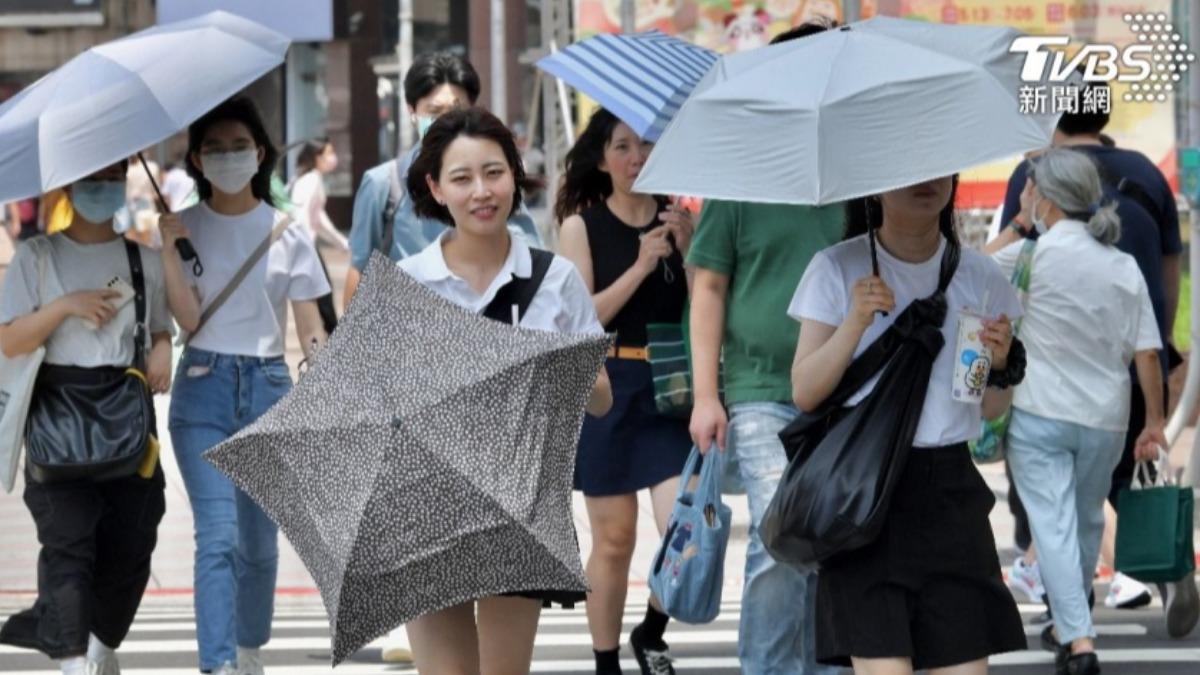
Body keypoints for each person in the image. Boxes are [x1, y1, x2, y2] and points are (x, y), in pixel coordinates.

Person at [398, 105, 611, 675]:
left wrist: (556, 366)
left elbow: (601, 396)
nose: (481, 192)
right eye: (462, 178)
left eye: (493, 172)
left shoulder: (556, 279)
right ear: (435, 188)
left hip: (518, 502)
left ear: (515, 175)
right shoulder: (409, 283)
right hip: (430, 503)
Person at [789, 175, 1027, 675]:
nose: (926, 182)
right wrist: (855, 319)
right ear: (873, 184)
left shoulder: (981, 277)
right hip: (865, 497)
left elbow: (987, 409)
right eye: (908, 170)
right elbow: (806, 390)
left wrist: (1000, 364)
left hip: (951, 497)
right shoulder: (837, 268)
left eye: (938, 168)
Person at [993, 98, 1198, 636]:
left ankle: (1076, 633)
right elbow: (1149, 341)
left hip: (1040, 408)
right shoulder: (1124, 251)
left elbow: (972, 271)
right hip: (1111, 408)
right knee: (1087, 517)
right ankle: (1076, 617)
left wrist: (1018, 223)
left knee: (1052, 522)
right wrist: (1155, 420)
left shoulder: (1031, 242)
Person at [687, 20, 843, 675]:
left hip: (849, 394)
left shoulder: (858, 179)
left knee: (838, 543)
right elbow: (710, 286)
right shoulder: (740, 178)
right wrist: (705, 394)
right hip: (760, 390)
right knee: (780, 541)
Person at [159, 97, 330, 675]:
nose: (228, 157)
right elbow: (185, 320)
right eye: (214, 148)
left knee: (259, 546)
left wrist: (323, 387)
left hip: (269, 390)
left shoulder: (288, 233)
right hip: (203, 388)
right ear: (197, 161)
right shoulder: (185, 229)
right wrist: (167, 248)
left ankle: (248, 645)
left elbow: (310, 330)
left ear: (260, 154)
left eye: (239, 147)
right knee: (219, 536)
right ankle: (218, 664)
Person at [0, 161, 173, 675]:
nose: (102, 188)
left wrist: (164, 346)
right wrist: (65, 307)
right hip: (57, 411)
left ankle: (97, 640)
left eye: (113, 176)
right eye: (90, 178)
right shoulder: (36, 256)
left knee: (136, 536)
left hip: (125, 409)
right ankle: (73, 659)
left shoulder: (143, 259)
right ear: (68, 187)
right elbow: (10, 340)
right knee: (68, 546)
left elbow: (160, 327)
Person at [556, 107, 693, 675]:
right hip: (607, 386)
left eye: (647, 146)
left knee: (685, 534)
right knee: (614, 541)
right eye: (622, 146)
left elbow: (708, 306)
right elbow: (579, 319)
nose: (635, 158)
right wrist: (640, 266)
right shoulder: (580, 227)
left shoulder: (682, 221)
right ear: (602, 157)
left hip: (671, 387)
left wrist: (690, 251)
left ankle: (652, 627)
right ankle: (606, 662)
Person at [345, 51, 540, 307]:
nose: (446, 121)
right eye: (434, 111)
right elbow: (360, 268)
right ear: (412, 111)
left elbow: (530, 253)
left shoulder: (495, 184)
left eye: (456, 110)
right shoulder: (382, 183)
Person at [289, 137, 345, 335]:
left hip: (307, 245)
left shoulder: (312, 179)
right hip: (306, 246)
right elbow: (301, 215)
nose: (332, 158)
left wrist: (341, 243)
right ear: (316, 157)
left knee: (321, 296)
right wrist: (304, 249)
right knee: (322, 296)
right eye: (328, 153)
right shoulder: (311, 180)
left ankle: (330, 335)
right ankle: (332, 339)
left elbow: (319, 219)